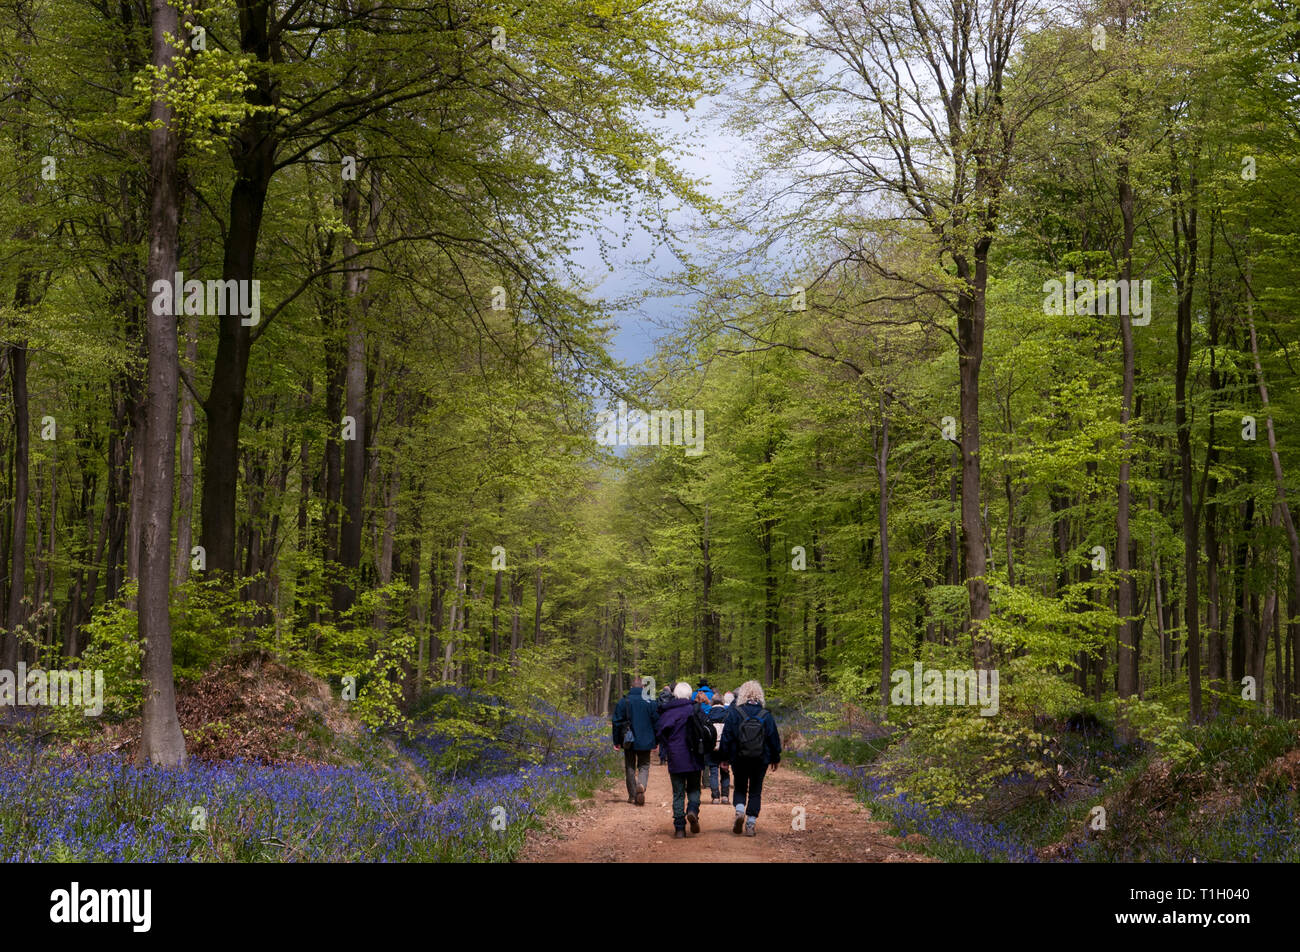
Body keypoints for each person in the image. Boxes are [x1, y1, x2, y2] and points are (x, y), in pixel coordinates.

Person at [718, 679, 781, 837]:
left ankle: (740, 811)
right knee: (755, 790)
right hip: (761, 759)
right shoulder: (766, 715)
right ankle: (751, 823)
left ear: (742, 695)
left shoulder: (735, 713)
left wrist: (724, 758)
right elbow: (773, 738)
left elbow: (727, 737)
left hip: (739, 758)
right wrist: (775, 758)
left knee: (740, 786)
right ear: (760, 695)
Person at [655, 682, 707, 838]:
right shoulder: (696, 710)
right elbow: (706, 731)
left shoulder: (669, 713)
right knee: (694, 788)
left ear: (675, 695)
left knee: (678, 793)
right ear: (690, 694)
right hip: (694, 756)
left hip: (676, 756)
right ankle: (692, 810)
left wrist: (666, 748)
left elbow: (660, 733)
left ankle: (679, 828)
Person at [612, 676, 659, 806]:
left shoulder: (623, 701)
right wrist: (657, 740)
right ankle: (641, 785)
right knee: (644, 765)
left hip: (628, 740)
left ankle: (633, 796)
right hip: (646, 740)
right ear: (643, 687)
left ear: (631, 687)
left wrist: (616, 741)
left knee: (630, 766)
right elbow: (657, 722)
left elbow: (616, 722)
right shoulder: (651, 701)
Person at [705, 694, 730, 803]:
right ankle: (725, 796)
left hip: (711, 746)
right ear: (722, 702)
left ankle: (715, 797)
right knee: (725, 771)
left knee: (713, 771)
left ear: (712, 702)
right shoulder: (728, 714)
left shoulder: (708, 715)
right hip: (725, 746)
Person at [655, 684, 673, 765]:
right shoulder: (673, 698)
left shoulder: (658, 699)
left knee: (662, 741)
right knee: (669, 740)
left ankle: (662, 758)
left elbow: (656, 710)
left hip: (661, 721)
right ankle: (668, 757)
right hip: (670, 721)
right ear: (669, 691)